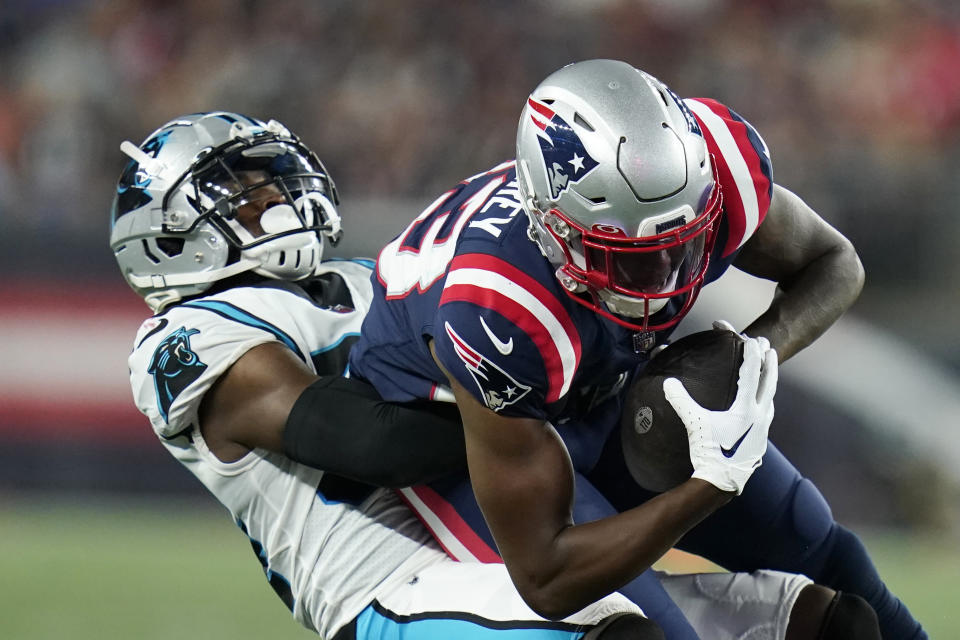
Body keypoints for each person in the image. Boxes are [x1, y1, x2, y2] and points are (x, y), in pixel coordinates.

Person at [111, 112, 869, 640]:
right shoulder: (187, 337)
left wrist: (532, 381)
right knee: (621, 637)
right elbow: (361, 439)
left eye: (275, 182)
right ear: (167, 236)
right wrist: (530, 383)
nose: (279, 199)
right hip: (387, 586)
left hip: (487, 527)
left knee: (820, 622)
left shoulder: (361, 278)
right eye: (247, 194)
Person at [347, 60, 921, 640]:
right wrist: (707, 487)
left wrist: (750, 361)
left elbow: (834, 263)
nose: (667, 276)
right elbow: (546, 574)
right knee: (645, 633)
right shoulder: (497, 309)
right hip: (465, 428)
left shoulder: (718, 172)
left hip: (601, 381)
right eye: (634, 258)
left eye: (685, 243)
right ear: (557, 233)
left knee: (815, 541)